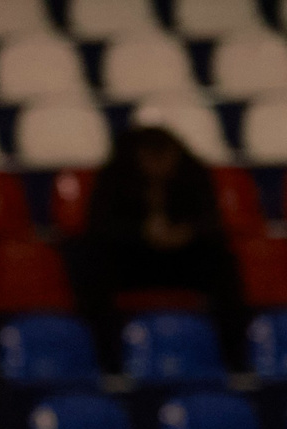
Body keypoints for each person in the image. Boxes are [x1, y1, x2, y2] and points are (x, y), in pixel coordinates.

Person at [72, 122, 246, 367]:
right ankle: (106, 362)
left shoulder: (193, 175)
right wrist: (141, 234)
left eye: (163, 157)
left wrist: (185, 234)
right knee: (90, 264)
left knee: (223, 263)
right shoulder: (114, 178)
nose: (158, 166)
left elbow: (212, 223)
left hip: (182, 260)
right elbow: (99, 227)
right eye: (150, 158)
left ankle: (234, 361)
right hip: (131, 261)